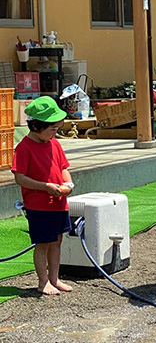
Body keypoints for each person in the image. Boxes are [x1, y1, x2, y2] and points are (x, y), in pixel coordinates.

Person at [11, 97, 74, 296]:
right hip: (38, 205)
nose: (55, 133)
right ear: (37, 126)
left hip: (58, 202)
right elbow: (20, 177)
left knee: (57, 240)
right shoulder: (24, 147)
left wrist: (68, 184)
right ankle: (43, 281)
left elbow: (63, 168)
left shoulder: (54, 144)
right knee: (43, 243)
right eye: (52, 129)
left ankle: (55, 278)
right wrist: (44, 187)